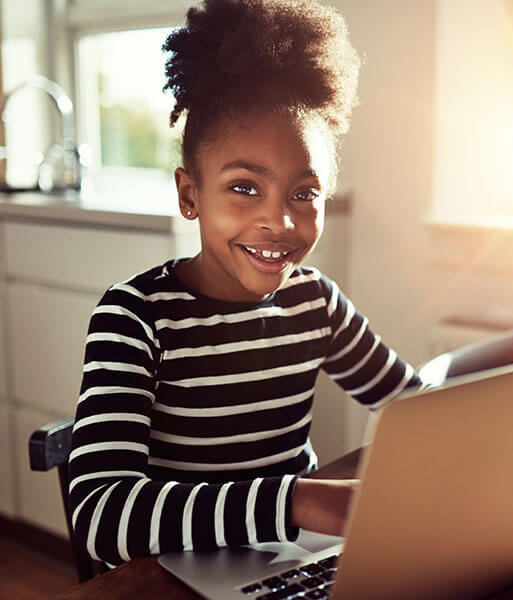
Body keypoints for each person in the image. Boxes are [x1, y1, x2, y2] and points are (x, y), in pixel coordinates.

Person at [68, 0, 423, 567]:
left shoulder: (316, 303)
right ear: (190, 194)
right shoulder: (136, 317)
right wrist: (298, 501)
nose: (279, 222)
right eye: (244, 188)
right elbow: (102, 517)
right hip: (174, 576)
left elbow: (416, 412)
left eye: (303, 194)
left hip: (289, 563)